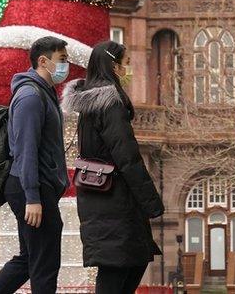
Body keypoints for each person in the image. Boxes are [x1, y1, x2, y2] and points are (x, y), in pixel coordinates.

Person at [61, 41, 164, 294]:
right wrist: (152, 202)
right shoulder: (110, 103)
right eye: (125, 64)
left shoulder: (92, 102)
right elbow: (127, 156)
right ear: (113, 66)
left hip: (102, 195)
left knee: (129, 262)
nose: (128, 69)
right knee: (118, 267)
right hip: (115, 197)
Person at [0, 36, 71, 294]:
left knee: (29, 259)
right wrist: (32, 197)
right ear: (43, 61)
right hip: (32, 187)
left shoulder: (42, 94)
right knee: (44, 263)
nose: (65, 66)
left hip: (35, 186)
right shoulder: (31, 96)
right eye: (62, 60)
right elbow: (25, 151)